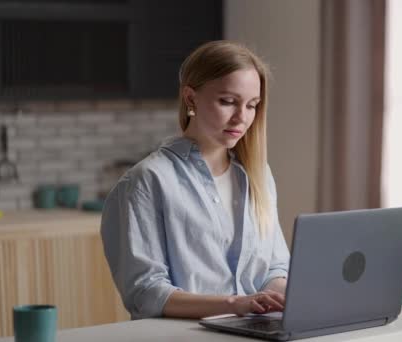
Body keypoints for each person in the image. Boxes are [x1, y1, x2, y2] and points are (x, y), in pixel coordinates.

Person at [100, 40, 289, 320]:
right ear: (191, 99)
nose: (242, 118)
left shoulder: (258, 175)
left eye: (252, 105)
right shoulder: (147, 181)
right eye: (228, 101)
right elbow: (145, 293)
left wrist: (280, 297)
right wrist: (234, 304)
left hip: (252, 333)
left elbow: (275, 268)